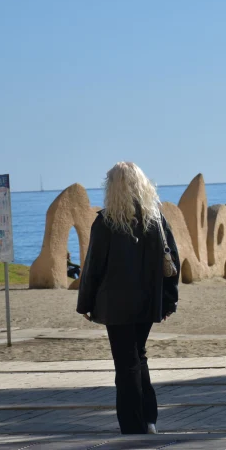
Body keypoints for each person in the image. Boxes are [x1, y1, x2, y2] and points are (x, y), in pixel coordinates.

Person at [77, 162, 181, 435]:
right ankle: (149, 418)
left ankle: (133, 423)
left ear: (112, 188)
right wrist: (169, 301)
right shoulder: (155, 219)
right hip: (148, 301)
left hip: (116, 305)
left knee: (126, 363)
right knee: (138, 356)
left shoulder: (106, 222)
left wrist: (85, 304)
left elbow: (93, 268)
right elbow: (173, 262)